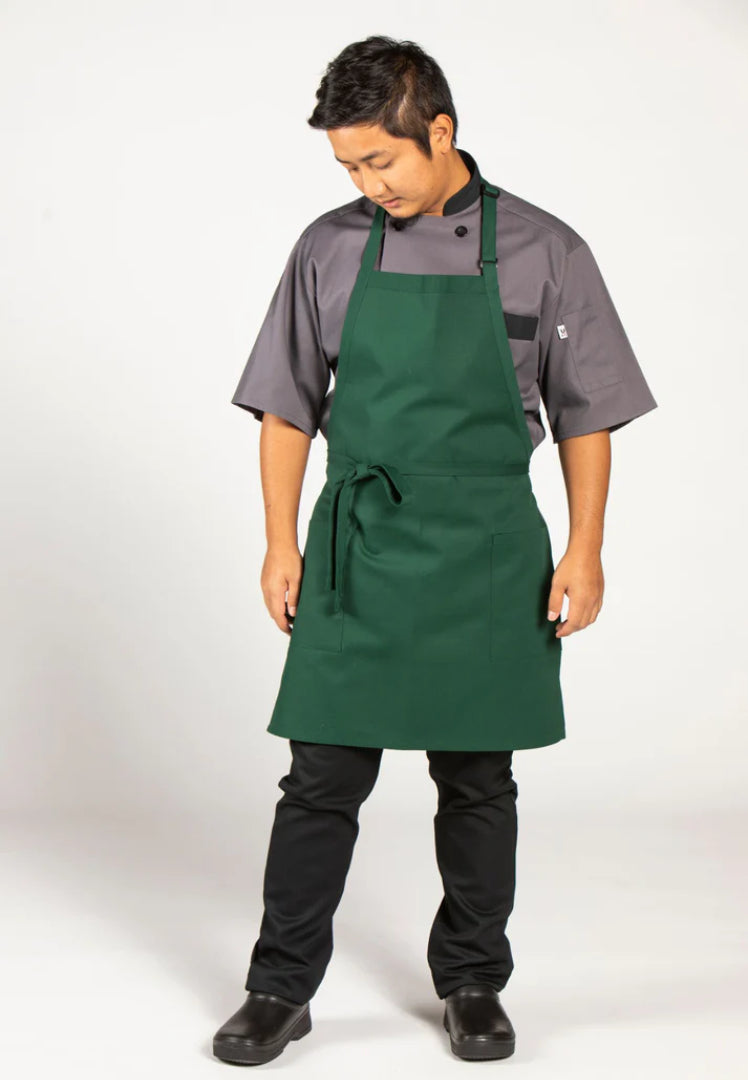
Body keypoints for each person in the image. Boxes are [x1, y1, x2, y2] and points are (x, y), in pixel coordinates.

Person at [213, 35, 658, 1066]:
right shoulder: (326, 248)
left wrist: (585, 550)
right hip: (358, 546)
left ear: (441, 132)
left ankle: (471, 981)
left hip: (486, 552)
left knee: (478, 780)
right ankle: (280, 987)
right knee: (320, 778)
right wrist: (279, 542)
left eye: (381, 160)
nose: (367, 186)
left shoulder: (547, 250)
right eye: (348, 167)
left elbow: (586, 415)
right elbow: (286, 408)